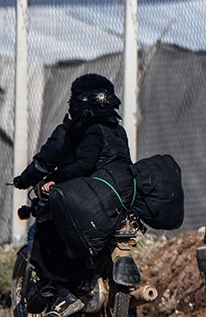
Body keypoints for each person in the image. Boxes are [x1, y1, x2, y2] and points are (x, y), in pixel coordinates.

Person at [13, 73, 131, 317]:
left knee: (44, 229)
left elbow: (69, 164)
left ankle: (58, 291)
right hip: (119, 203)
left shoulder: (77, 131)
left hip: (86, 202)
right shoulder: (118, 132)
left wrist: (35, 181)